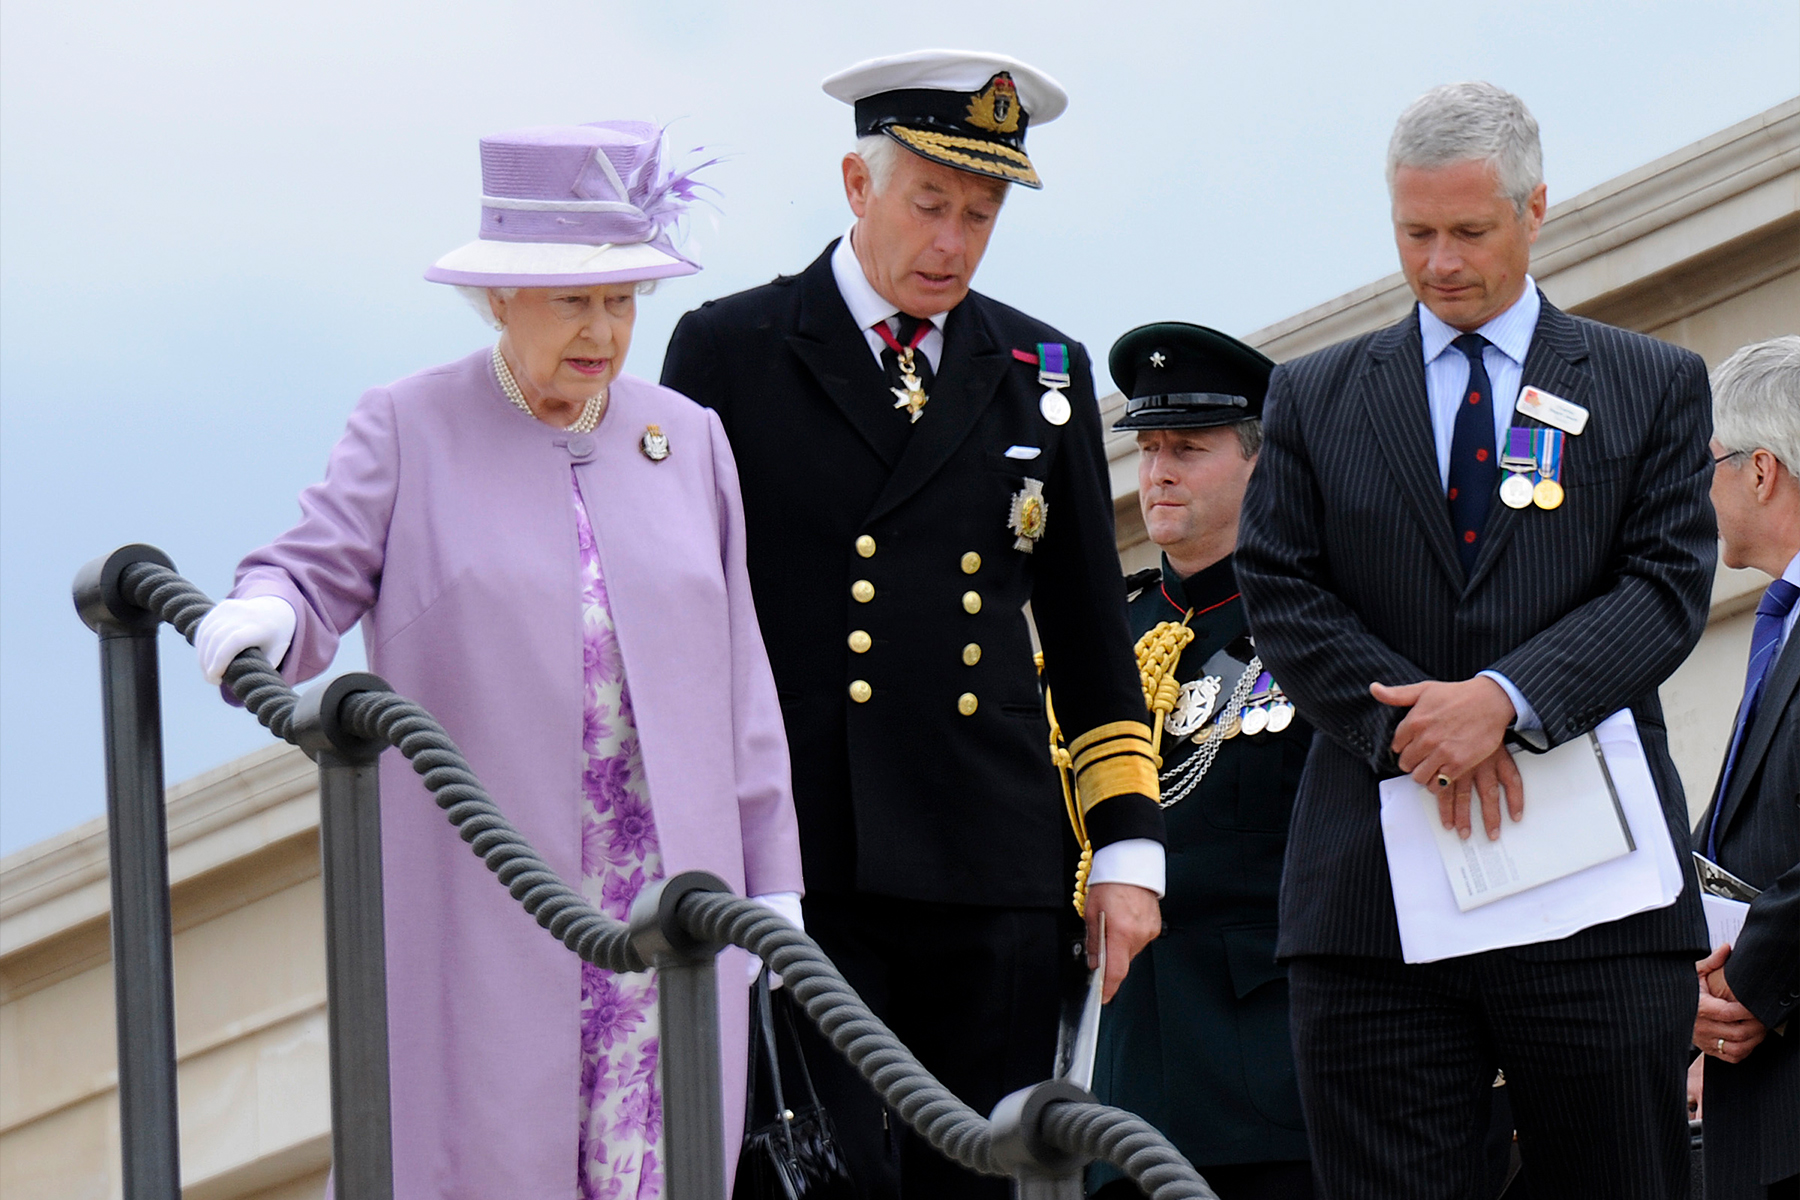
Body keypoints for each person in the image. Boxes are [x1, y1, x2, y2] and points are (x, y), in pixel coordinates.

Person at [191, 121, 805, 1199]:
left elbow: (740, 682)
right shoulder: (408, 426)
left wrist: (776, 883)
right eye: (576, 301)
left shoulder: (688, 439)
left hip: (671, 914)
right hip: (490, 908)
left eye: (623, 301)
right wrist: (267, 616)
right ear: (500, 297)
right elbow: (313, 569)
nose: (605, 331)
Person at [660, 50, 1165, 1199]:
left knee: (984, 1179)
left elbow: (1090, 632)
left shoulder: (1041, 369)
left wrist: (1129, 848)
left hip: (992, 857)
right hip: (803, 857)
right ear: (855, 184)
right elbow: (680, 620)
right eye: (929, 206)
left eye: (979, 216)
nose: (953, 243)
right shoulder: (730, 351)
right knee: (814, 1176)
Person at [1234, 82, 1717, 1199]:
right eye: (1415, 234)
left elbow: (1665, 585)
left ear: (1535, 208)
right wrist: (1415, 723)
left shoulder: (1649, 385)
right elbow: (1280, 588)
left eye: (1469, 231)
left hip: (1595, 907)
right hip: (1371, 915)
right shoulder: (1312, 400)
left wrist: (1504, 697)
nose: (1441, 262)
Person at [1087, 323, 1314, 1200]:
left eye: (1188, 447)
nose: (1158, 472)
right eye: (1148, 448)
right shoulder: (1108, 637)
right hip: (1121, 1086)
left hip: (1270, 1083)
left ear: (1259, 461)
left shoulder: (1309, 626)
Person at [1688, 335, 1800, 1200]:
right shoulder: (1780, 620)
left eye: (1711, 463)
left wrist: (1752, 984)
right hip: (1759, 1108)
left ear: (1761, 471)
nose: (1703, 488)